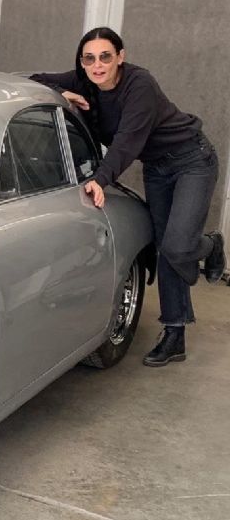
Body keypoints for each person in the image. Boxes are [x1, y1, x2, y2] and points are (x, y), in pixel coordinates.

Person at [30, 26, 225, 367]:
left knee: (179, 246)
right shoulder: (84, 79)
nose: (98, 65)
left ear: (121, 57)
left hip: (192, 160)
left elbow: (127, 142)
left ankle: (210, 245)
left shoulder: (140, 86)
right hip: (157, 168)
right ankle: (175, 333)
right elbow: (34, 78)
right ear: (82, 62)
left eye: (106, 56)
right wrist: (64, 91)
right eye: (89, 58)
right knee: (166, 248)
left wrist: (100, 180)